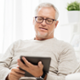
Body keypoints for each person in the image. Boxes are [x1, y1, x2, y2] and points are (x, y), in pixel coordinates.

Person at [0, 3, 79, 80]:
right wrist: (9, 76)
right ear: (33, 20)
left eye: (48, 20)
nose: (43, 23)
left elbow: (66, 78)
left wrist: (43, 75)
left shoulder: (65, 48)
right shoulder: (17, 44)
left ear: (56, 24)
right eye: (40, 19)